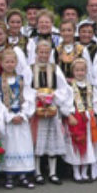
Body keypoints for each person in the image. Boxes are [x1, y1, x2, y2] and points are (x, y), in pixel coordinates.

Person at [29, 41, 73, 185]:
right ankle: (37, 172)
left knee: (52, 139)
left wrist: (53, 96)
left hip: (52, 108)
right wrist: (37, 95)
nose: (43, 55)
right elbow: (27, 89)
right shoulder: (30, 69)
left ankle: (53, 172)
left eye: (46, 53)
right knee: (37, 141)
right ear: (36, 53)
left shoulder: (55, 69)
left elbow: (64, 88)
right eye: (41, 52)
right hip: (37, 109)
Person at [0, 49, 36, 189]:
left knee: (22, 146)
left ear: (16, 63)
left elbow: (29, 99)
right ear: (1, 63)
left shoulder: (22, 80)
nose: (10, 65)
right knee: (10, 146)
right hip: (8, 119)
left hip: (21, 118)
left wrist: (23, 114)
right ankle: (9, 175)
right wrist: (9, 116)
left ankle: (23, 175)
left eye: (12, 62)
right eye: (7, 62)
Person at [64, 58, 97, 183]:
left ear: (86, 71)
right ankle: (76, 172)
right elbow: (66, 102)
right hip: (76, 120)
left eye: (82, 70)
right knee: (76, 145)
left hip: (88, 120)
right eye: (77, 70)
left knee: (89, 146)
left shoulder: (91, 87)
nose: (80, 73)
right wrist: (69, 114)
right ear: (73, 72)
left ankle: (84, 172)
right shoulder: (69, 87)